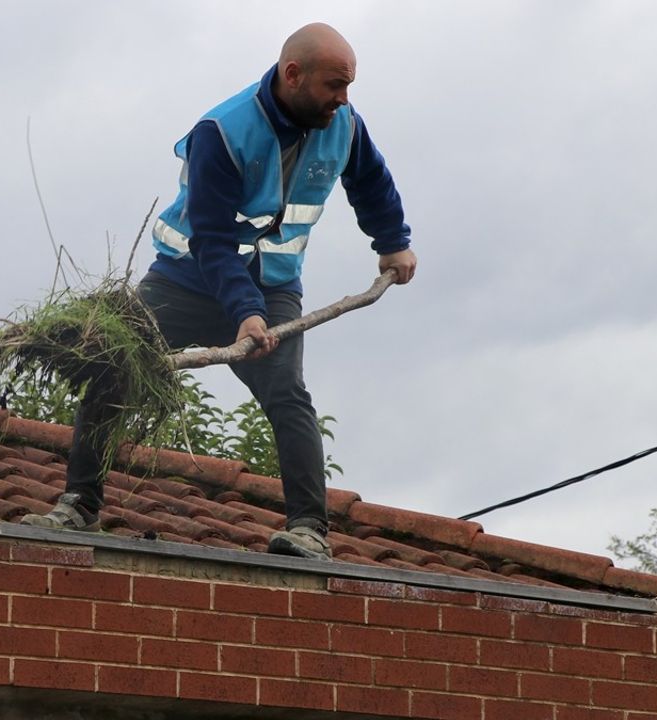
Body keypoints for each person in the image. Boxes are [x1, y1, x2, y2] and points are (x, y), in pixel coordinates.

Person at [21, 23, 416, 561]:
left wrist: (392, 241)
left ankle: (308, 531)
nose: (343, 99)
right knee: (115, 367)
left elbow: (371, 181)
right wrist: (244, 313)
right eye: (334, 85)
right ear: (292, 75)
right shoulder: (223, 131)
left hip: (273, 286)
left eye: (348, 86)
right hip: (186, 280)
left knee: (287, 395)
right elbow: (211, 238)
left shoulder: (344, 124)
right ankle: (79, 504)